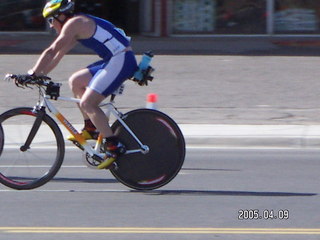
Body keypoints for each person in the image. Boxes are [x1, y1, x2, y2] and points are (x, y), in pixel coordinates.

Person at [28, 0, 138, 169]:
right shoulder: (74, 25)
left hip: (121, 59)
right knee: (76, 81)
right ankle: (92, 128)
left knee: (88, 103)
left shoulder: (75, 23)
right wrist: (40, 76)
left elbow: (51, 50)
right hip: (113, 59)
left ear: (61, 16)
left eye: (51, 20)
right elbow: (58, 55)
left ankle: (114, 146)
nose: (50, 26)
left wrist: (32, 73)